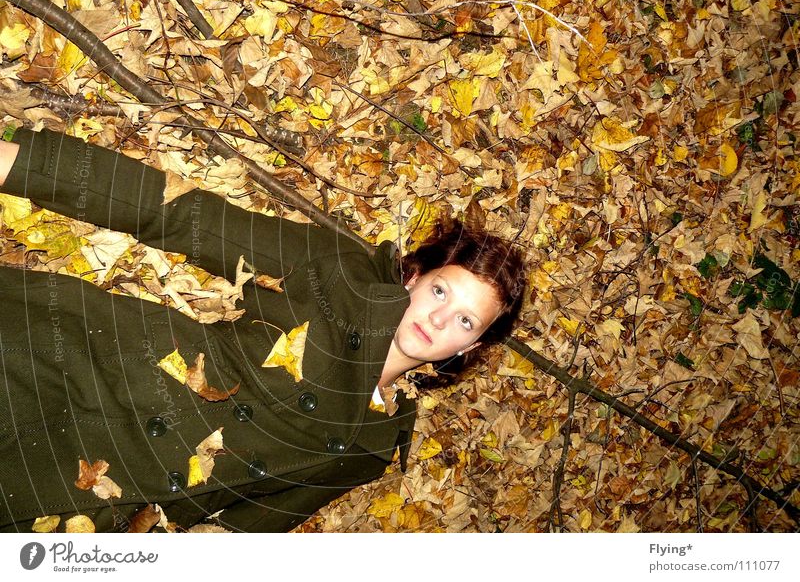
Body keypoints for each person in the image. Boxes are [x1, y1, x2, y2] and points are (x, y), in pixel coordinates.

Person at [0, 126, 526, 532]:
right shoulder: (342, 272)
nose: (438, 320)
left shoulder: (374, 446)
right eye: (440, 291)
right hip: (77, 368)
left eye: (463, 319)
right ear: (412, 275)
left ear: (470, 345)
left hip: (104, 508)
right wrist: (20, 165)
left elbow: (246, 529)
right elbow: (191, 218)